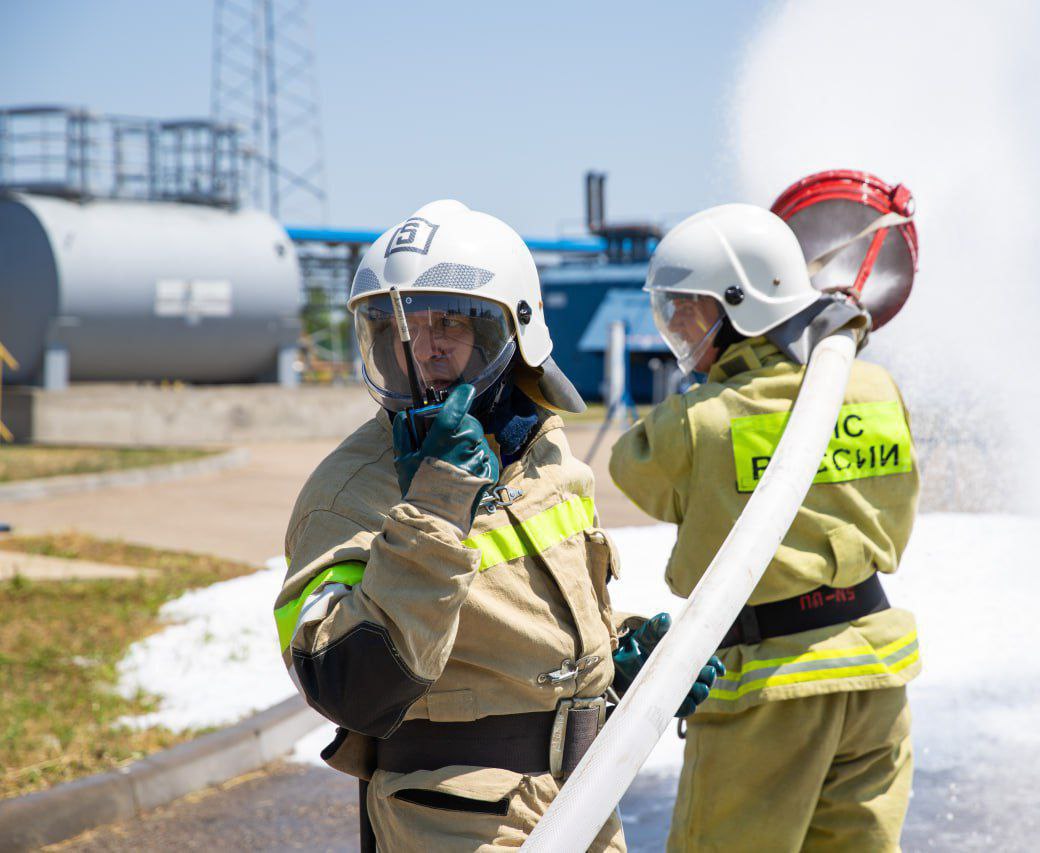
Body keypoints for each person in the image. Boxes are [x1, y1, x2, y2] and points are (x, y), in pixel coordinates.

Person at [271, 200, 720, 852]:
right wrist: (434, 508)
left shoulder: (542, 452)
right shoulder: (347, 492)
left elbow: (527, 617)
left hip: (584, 798)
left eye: (450, 321)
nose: (423, 347)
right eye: (399, 326)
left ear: (515, 331)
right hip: (452, 821)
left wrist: (620, 659)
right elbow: (348, 684)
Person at [609, 196, 921, 852]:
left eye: (690, 308)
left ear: (739, 308)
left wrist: (707, 392)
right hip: (875, 675)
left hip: (767, 692)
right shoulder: (874, 388)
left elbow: (632, 469)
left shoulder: (701, 420)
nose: (679, 324)